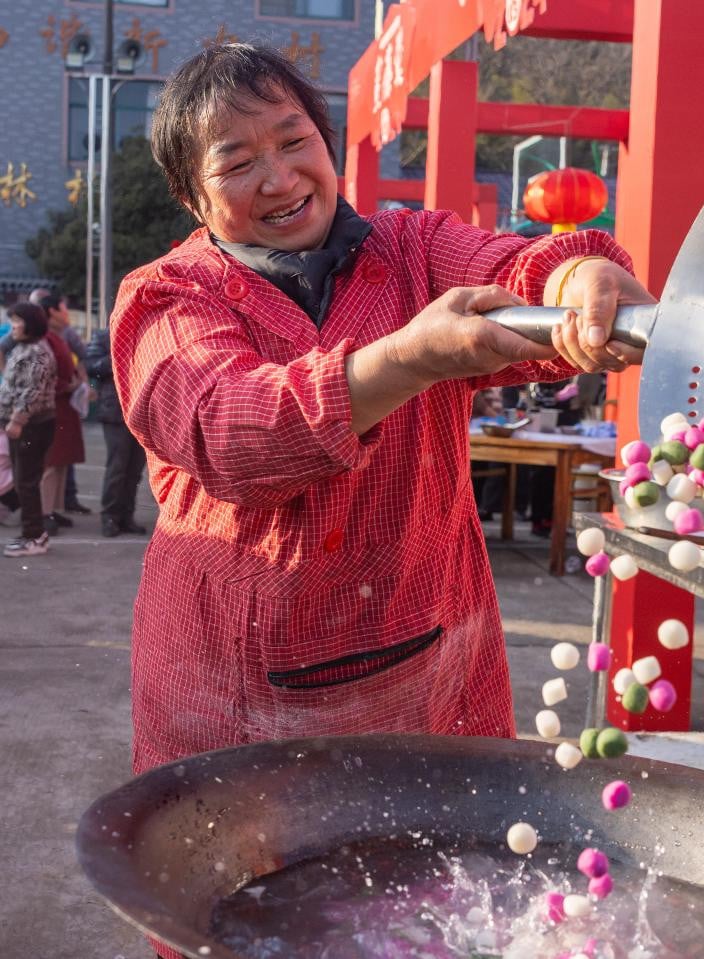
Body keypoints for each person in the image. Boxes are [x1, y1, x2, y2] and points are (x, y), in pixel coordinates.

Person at [113, 41, 646, 770]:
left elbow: (508, 269)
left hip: (428, 665)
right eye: (237, 165)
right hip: (233, 698)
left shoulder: (412, 250)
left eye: (294, 142)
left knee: (441, 868)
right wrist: (409, 357)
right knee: (253, 873)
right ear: (192, 198)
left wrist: (577, 275)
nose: (278, 179)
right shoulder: (167, 298)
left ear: (326, 145)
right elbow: (228, 430)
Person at [0, 303, 56, 557]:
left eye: (17, 321)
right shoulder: (22, 347)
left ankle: (35, 537)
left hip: (32, 427)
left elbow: (31, 392)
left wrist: (17, 421)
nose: (13, 325)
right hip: (23, 426)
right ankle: (30, 533)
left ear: (31, 323)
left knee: (27, 482)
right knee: (23, 481)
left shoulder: (37, 352)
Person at [85, 328, 147, 536]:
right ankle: (110, 517)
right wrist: (119, 353)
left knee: (135, 470)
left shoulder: (147, 333)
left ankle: (126, 517)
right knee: (117, 467)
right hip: (115, 411)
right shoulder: (104, 336)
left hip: (142, 412)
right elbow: (91, 367)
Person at [38, 293, 93, 516]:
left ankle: (54, 510)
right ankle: (44, 513)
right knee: (51, 464)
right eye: (63, 308)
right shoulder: (44, 338)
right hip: (52, 407)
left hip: (65, 406)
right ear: (52, 312)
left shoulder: (60, 336)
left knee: (60, 462)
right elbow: (44, 375)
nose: (66, 313)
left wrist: (79, 382)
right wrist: (66, 386)